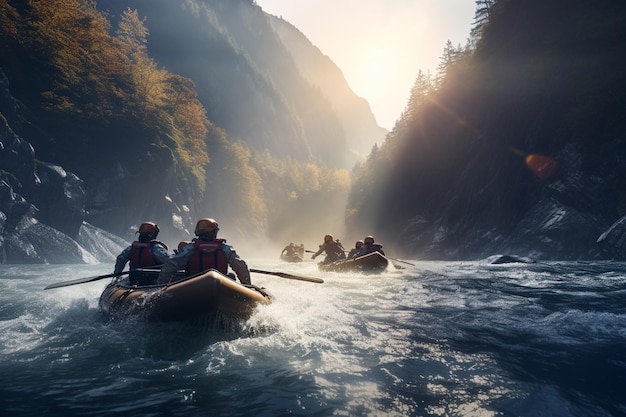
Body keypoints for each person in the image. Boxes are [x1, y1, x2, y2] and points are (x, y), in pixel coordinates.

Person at [157, 218, 251, 285]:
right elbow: (241, 266)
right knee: (231, 276)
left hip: (192, 285)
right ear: (214, 232)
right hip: (219, 285)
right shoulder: (225, 248)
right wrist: (247, 285)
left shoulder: (190, 248)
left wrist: (161, 285)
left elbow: (170, 265)